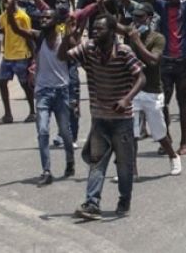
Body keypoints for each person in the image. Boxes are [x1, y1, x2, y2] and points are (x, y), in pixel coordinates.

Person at [68, 14, 145, 220]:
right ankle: (92, 203)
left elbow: (141, 77)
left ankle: (124, 199)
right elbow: (64, 57)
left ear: (112, 32)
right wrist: (69, 34)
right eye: (94, 28)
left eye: (100, 29)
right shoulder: (89, 48)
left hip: (122, 120)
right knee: (96, 162)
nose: (95, 32)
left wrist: (126, 100)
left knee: (124, 164)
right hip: (99, 118)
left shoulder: (124, 51)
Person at [8, 8, 76, 186]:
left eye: (47, 17)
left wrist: (70, 33)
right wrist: (9, 10)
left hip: (61, 91)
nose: (43, 19)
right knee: (43, 131)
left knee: (66, 132)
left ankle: (70, 161)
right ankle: (46, 170)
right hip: (43, 92)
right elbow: (16, 29)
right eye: (42, 17)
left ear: (56, 20)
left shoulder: (64, 37)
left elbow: (75, 50)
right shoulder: (38, 37)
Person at [140, 0, 186, 156]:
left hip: (183, 62)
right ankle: (165, 137)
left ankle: (184, 141)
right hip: (165, 62)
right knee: (162, 102)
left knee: (182, 102)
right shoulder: (162, 6)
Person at [120, 3, 182, 176]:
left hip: (152, 91)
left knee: (159, 133)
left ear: (148, 18)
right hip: (133, 91)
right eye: (135, 17)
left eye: (141, 17)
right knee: (131, 134)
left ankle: (173, 156)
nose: (137, 21)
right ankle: (131, 169)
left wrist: (137, 41)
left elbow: (153, 60)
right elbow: (114, 25)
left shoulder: (157, 38)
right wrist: (101, 6)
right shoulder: (130, 33)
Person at [0, 0, 35, 124]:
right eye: (4, 0)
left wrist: (33, 58)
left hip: (21, 55)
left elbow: (29, 37)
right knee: (1, 82)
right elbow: (3, 32)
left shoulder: (23, 17)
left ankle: (33, 112)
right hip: (7, 56)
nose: (6, 2)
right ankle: (8, 115)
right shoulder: (3, 16)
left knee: (25, 85)